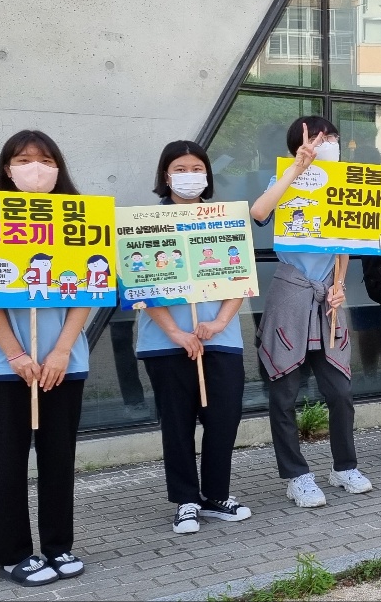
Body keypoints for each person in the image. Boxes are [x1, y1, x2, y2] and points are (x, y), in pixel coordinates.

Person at [0, 130, 89, 587]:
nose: (35, 168)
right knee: (6, 460)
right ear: (7, 168)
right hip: (5, 367)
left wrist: (62, 350)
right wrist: (16, 354)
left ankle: (58, 546)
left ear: (59, 168)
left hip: (65, 364)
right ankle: (12, 554)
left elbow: (90, 289)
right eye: (23, 160)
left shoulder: (80, 219)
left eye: (45, 160)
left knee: (58, 459)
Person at [250, 116, 372, 506]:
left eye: (333, 137)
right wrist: (296, 169)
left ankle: (344, 466)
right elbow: (259, 212)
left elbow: (345, 242)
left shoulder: (343, 184)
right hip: (291, 294)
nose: (330, 143)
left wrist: (339, 285)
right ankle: (296, 475)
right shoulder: (285, 180)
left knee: (340, 389)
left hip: (328, 298)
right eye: (322, 138)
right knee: (284, 391)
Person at [137, 140, 254, 534]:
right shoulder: (145, 222)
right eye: (180, 169)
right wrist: (174, 331)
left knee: (224, 419)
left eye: (196, 168)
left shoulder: (225, 220)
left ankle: (216, 495)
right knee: (177, 423)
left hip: (221, 339)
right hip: (165, 343)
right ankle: (186, 499)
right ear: (165, 175)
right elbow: (139, 284)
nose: (189, 176)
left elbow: (241, 276)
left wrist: (219, 322)